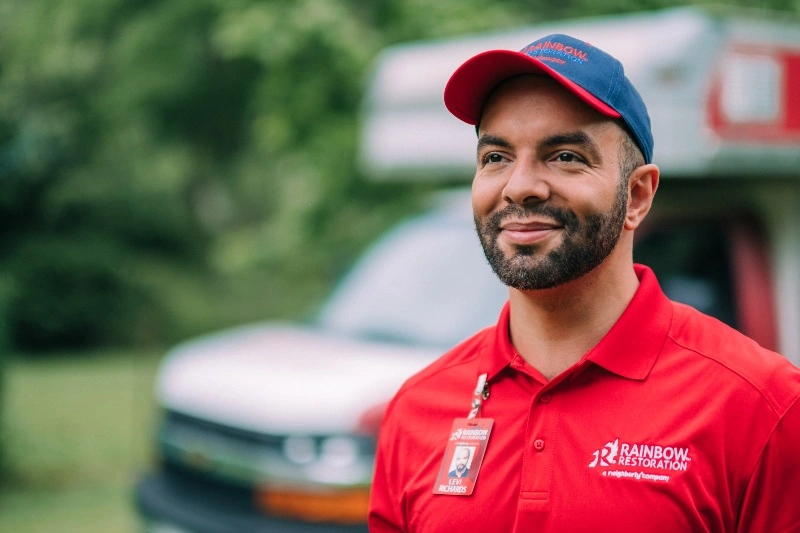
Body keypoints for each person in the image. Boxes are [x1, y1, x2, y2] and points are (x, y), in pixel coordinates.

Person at [368, 33, 800, 532]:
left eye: (565, 155)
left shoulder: (764, 407)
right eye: (496, 157)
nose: (520, 186)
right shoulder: (416, 408)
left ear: (637, 196)